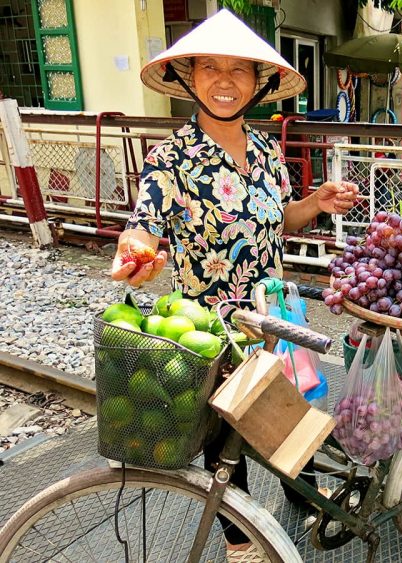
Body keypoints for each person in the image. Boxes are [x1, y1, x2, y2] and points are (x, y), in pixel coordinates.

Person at [110, 10, 358, 560]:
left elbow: (279, 220)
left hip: (276, 316)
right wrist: (136, 256)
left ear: (258, 83)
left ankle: (304, 492)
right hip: (215, 327)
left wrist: (312, 205)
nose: (225, 81)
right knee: (227, 443)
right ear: (189, 78)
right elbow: (142, 229)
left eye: (239, 70)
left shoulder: (268, 152)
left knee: (292, 410)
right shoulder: (169, 160)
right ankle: (241, 541)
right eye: (209, 67)